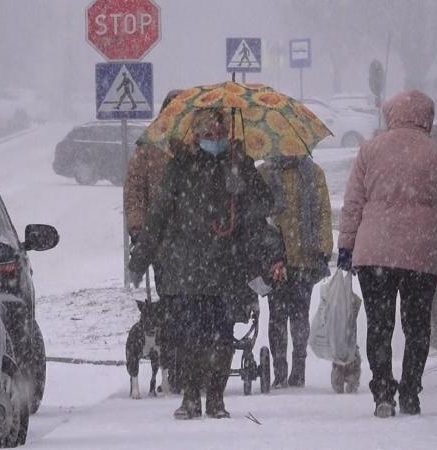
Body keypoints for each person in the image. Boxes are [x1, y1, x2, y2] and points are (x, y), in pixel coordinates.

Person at [129, 108, 284, 420]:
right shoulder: (181, 168)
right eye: (208, 133)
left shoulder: (239, 165)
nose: (215, 138)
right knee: (189, 336)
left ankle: (216, 398)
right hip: (188, 269)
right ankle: (189, 397)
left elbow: (263, 208)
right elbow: (158, 214)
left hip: (228, 267)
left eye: (219, 133)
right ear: (196, 136)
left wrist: (241, 185)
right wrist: (140, 258)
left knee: (223, 335)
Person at [337, 90, 437, 418]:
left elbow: (353, 203)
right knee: (417, 325)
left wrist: (346, 246)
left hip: (374, 252)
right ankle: (410, 391)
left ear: (391, 114)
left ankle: (383, 392)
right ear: (427, 117)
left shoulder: (370, 149)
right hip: (420, 254)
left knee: (379, 323)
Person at [123, 89, 183, 393]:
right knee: (171, 304)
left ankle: (187, 361)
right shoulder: (150, 146)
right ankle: (176, 362)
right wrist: (138, 227)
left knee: (192, 304)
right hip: (163, 244)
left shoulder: (195, 143)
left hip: (195, 243)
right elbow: (134, 191)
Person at [258, 155, 333, 388]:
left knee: (299, 313)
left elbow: (323, 212)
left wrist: (323, 249)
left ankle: (298, 368)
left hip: (304, 257)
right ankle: (280, 370)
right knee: (277, 314)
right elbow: (256, 215)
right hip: (275, 259)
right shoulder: (263, 173)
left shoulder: (314, 172)